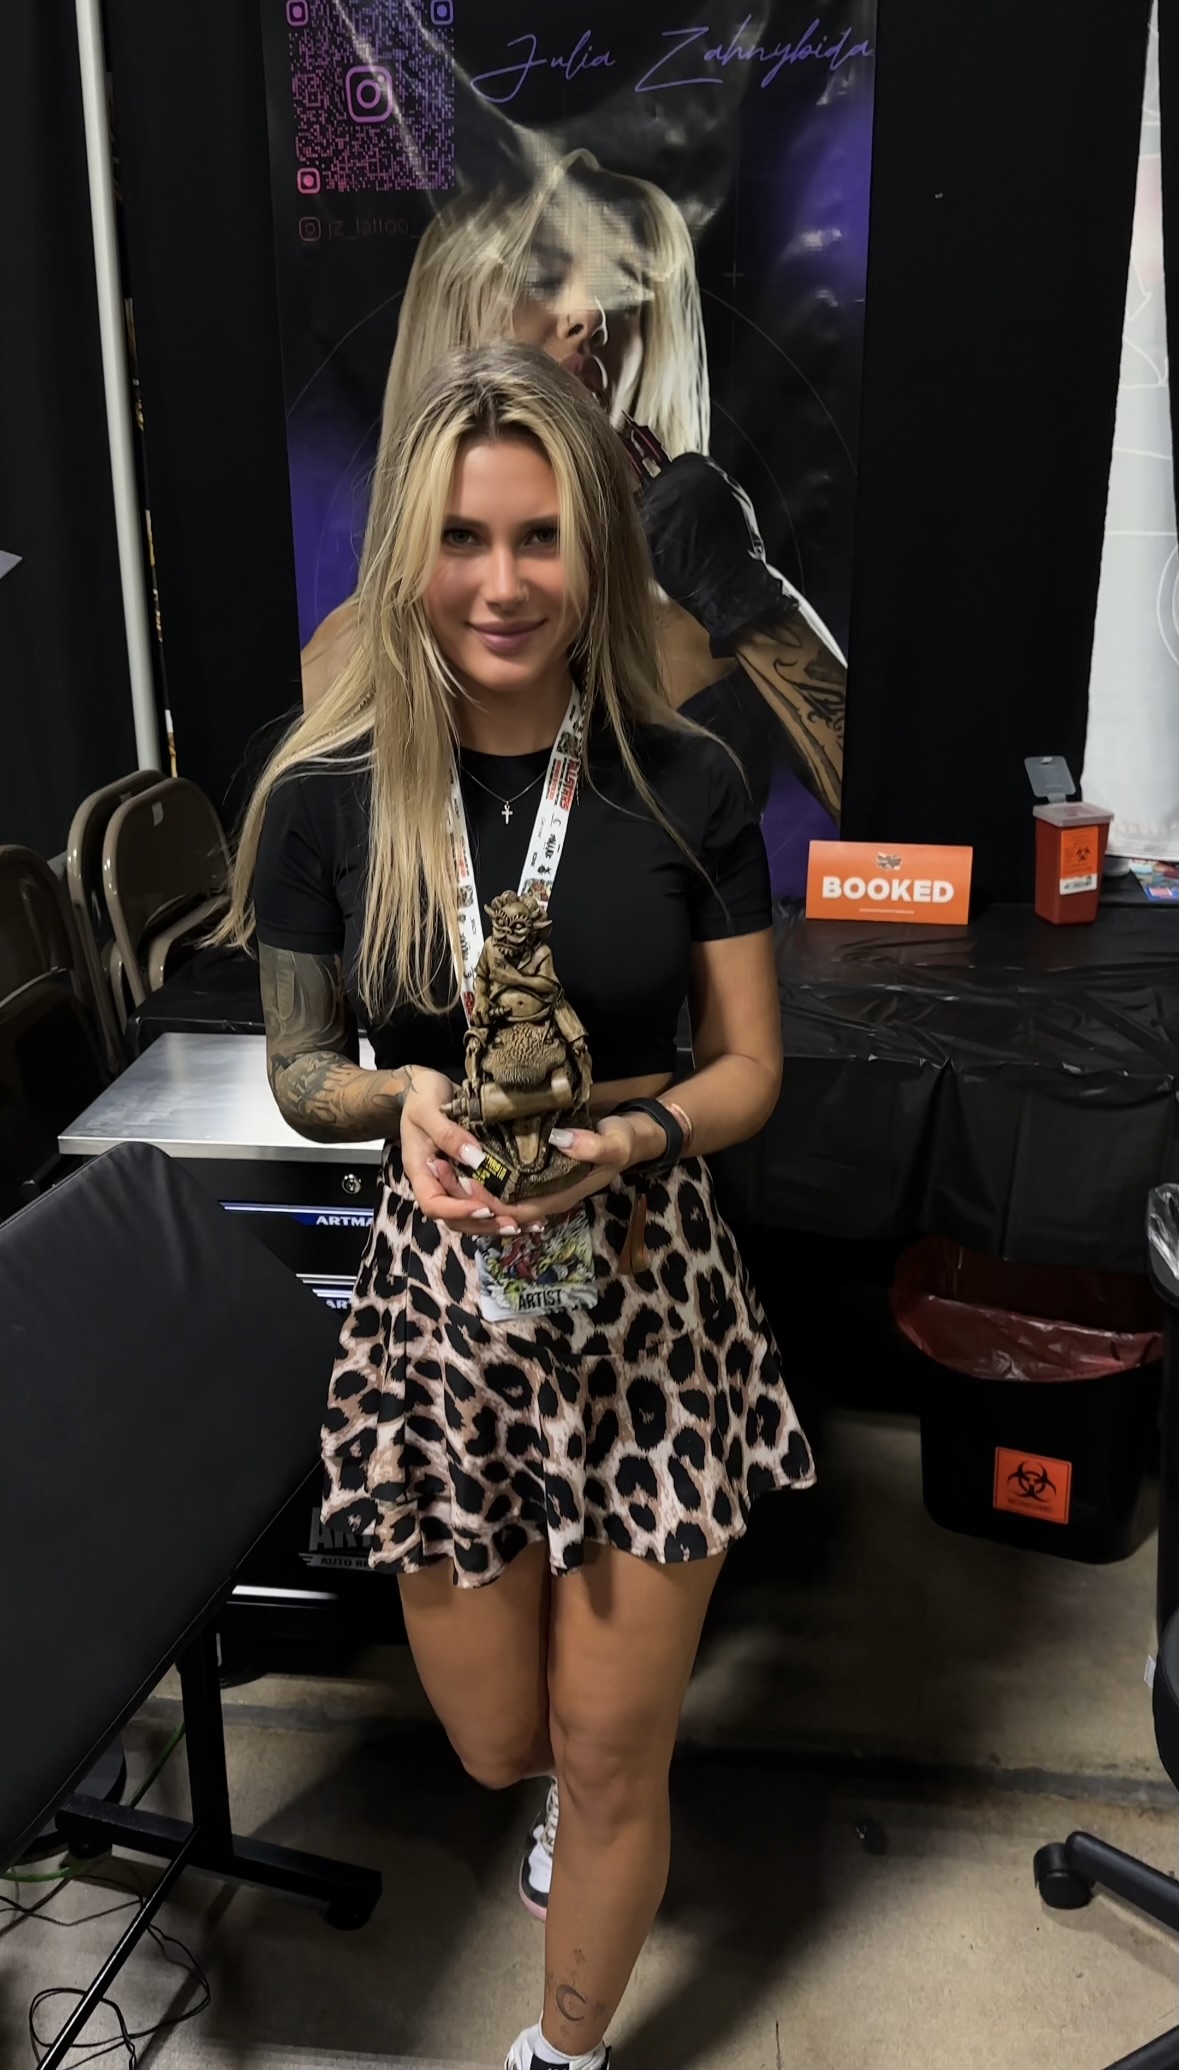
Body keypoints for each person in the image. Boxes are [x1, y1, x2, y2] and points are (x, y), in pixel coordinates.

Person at [226, 341, 814, 2070]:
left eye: (541, 535)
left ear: (596, 549)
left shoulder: (685, 779)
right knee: (501, 1741)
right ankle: (560, 1780)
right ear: (410, 550)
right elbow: (299, 1067)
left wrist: (632, 1140)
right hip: (440, 1311)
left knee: (617, 1747)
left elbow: (748, 1068)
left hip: (650, 1306)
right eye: (465, 538)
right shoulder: (324, 794)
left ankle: (563, 2048)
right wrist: (397, 1099)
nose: (503, 582)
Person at [300, 149, 846, 854]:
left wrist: (746, 595)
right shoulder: (353, 660)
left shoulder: (709, 637)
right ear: (455, 312)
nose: (587, 315)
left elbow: (904, 843)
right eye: (540, 277)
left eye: (621, 285)